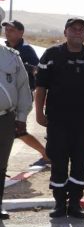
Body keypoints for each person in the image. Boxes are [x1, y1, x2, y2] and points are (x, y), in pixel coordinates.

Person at [34, 17, 84, 219]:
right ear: (65, 32)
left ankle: (75, 204)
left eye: (81, 30)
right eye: (73, 29)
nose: (77, 32)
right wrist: (39, 112)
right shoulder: (51, 54)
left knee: (80, 162)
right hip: (57, 121)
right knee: (58, 161)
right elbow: (41, 87)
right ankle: (59, 203)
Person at [0, 8, 32, 221]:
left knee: (1, 163)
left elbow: (23, 88)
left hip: (5, 118)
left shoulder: (11, 56)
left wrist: (21, 118)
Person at [3, 18, 48, 165]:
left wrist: (23, 65)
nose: (7, 32)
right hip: (9, 96)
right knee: (14, 131)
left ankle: (46, 154)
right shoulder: (5, 49)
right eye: (6, 29)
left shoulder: (26, 50)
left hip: (22, 95)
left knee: (17, 130)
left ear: (20, 33)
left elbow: (37, 69)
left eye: (11, 30)